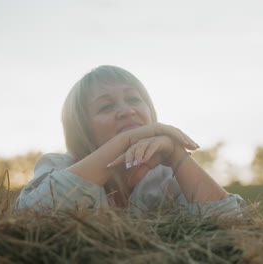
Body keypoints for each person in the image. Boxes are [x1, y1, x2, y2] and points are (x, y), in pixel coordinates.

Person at [16, 65, 245, 217]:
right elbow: (30, 215)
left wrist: (176, 154)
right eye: (106, 106)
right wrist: (126, 139)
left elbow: (231, 223)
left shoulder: (166, 177)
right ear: (82, 127)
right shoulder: (59, 165)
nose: (127, 111)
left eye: (134, 99)